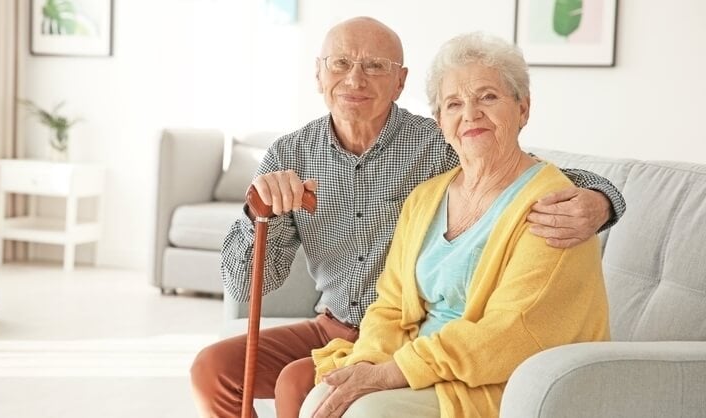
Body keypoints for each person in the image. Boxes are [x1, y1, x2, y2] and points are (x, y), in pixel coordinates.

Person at [190, 17, 623, 418]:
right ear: (318, 74)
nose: (355, 79)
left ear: (400, 82)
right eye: (340, 63)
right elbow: (246, 285)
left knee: (300, 383)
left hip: (416, 329)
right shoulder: (290, 155)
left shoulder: (440, 140)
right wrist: (258, 214)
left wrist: (601, 199)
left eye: (375, 66)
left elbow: (518, 172)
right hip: (340, 324)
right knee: (213, 371)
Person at [299, 31, 610, 418]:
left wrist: (391, 373)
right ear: (440, 122)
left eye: (488, 97)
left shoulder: (554, 205)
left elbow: (509, 332)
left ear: (523, 109)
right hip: (421, 365)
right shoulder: (427, 197)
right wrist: (368, 362)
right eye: (454, 104)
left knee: (367, 413)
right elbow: (391, 304)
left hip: (496, 381)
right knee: (319, 400)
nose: (471, 114)